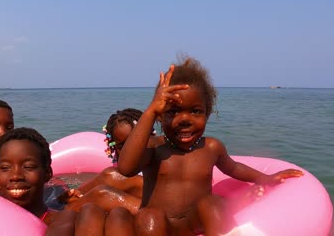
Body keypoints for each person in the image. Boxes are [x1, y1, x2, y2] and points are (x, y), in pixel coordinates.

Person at [117, 56, 304, 236]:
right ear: (160, 115)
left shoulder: (211, 148)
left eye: (196, 111)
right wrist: (150, 111)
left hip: (194, 225)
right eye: (173, 111)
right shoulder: (154, 148)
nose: (185, 120)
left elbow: (234, 167)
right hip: (159, 228)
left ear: (207, 113)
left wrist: (266, 178)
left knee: (213, 202)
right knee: (148, 215)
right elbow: (125, 168)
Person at [59, 108, 154, 215]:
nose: (130, 150)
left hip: (156, 211)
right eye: (122, 146)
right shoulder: (119, 169)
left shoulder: (159, 159)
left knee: (104, 191)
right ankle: (74, 197)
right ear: (113, 148)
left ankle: (58, 213)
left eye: (136, 143)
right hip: (138, 204)